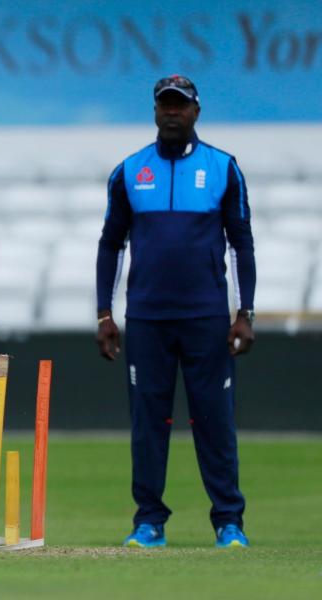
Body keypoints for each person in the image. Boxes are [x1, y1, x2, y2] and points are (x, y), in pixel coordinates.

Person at [96, 75, 256, 549]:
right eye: (165, 104)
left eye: (180, 105)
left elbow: (240, 244)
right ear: (154, 111)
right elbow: (111, 244)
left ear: (195, 112)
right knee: (148, 422)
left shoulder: (223, 168)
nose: (172, 112)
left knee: (214, 420)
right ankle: (149, 521)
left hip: (207, 317)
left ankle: (229, 522)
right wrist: (104, 313)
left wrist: (244, 312)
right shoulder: (129, 171)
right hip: (146, 318)